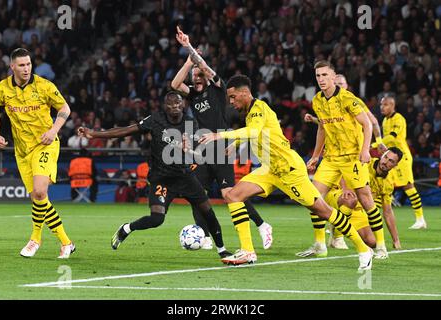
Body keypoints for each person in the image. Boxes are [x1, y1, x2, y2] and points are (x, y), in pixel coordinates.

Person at [199, 74, 373, 270]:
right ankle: (247, 251)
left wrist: (218, 135)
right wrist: (236, 143)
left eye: (232, 97)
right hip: (270, 169)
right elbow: (259, 132)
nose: (230, 102)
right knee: (233, 195)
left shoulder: (259, 109)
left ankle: (363, 249)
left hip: (289, 170)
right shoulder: (251, 112)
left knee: (323, 211)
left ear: (244, 93)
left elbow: (254, 131)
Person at [77, 91, 232, 259]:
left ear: (183, 105)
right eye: (171, 105)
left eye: (178, 104)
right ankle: (127, 228)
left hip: (184, 176)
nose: (175, 107)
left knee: (208, 212)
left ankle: (222, 251)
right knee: (157, 219)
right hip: (161, 178)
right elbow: (128, 130)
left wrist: (189, 144)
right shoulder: (156, 119)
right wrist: (94, 133)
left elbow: (192, 141)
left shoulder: (190, 122)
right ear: (165, 107)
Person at [171, 27, 273, 250]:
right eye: (194, 77)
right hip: (203, 149)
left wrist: (190, 50)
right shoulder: (194, 94)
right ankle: (205, 236)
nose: (196, 79)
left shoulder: (219, 89)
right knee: (195, 192)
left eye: (199, 76)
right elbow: (174, 85)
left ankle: (262, 225)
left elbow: (206, 68)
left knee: (230, 194)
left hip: (221, 148)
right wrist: (188, 63)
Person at [298, 61, 388, 259]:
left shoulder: (348, 98)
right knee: (313, 197)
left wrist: (365, 151)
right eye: (318, 76)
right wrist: (315, 156)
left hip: (352, 157)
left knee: (366, 200)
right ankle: (320, 244)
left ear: (333, 76)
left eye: (324, 75)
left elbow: (367, 125)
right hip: (331, 158)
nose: (321, 79)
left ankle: (381, 246)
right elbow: (322, 129)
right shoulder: (317, 101)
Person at [0, 48, 75, 258]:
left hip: (45, 144)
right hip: (22, 150)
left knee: (39, 191)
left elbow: (65, 108)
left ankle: (35, 240)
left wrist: (53, 130)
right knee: (38, 198)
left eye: (28, 64)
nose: (26, 68)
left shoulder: (44, 86)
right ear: (12, 67)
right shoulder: (2, 89)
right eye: (21, 65)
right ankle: (66, 242)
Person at [325, 147, 404, 252]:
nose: (385, 162)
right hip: (339, 195)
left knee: (372, 242)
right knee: (350, 199)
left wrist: (396, 240)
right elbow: (343, 168)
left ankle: (336, 222)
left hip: (357, 210)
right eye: (385, 157)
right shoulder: (365, 162)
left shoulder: (388, 183)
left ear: (396, 165)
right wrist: (345, 188)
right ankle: (337, 237)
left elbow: (388, 212)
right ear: (382, 156)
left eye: (391, 161)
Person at [380, 96, 427, 229]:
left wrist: (377, 143)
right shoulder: (384, 120)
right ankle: (375, 218)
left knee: (408, 187)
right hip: (391, 157)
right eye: (381, 105)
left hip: (402, 158)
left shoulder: (399, 118)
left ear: (393, 106)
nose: (382, 107)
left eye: (386, 105)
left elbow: (392, 137)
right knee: (383, 185)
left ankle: (420, 219)